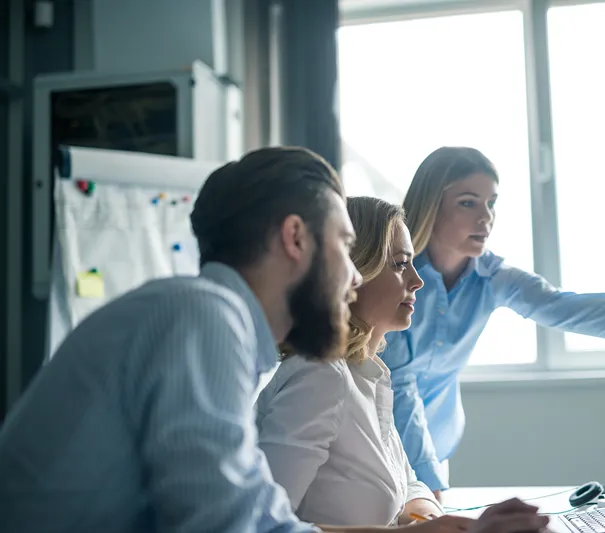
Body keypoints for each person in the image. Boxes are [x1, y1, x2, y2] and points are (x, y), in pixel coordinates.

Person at [0, 146, 550, 533]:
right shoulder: (205, 318)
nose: (356, 276)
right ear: (295, 238)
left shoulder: (211, 324)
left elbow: (260, 519)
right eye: (344, 244)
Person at [381, 146, 605, 499]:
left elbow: (560, 305)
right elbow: (399, 388)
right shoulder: (395, 277)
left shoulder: (492, 277)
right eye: (468, 202)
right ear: (431, 204)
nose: (486, 217)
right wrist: (429, 483)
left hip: (435, 447)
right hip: (381, 445)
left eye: (491, 203)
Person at [256, 197, 445, 528]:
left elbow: (407, 483)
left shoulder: (366, 374)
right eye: (400, 264)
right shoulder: (320, 377)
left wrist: (426, 517)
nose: (417, 281)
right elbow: (265, 525)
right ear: (354, 271)